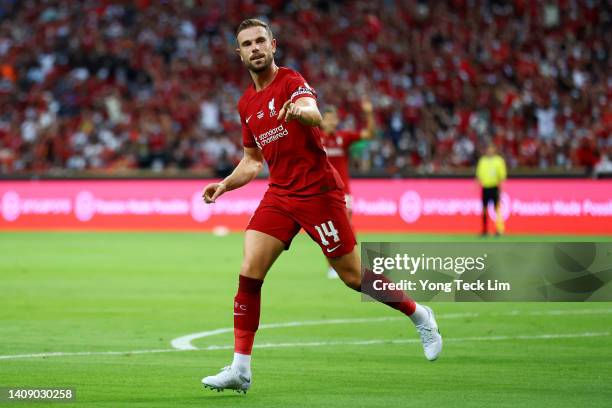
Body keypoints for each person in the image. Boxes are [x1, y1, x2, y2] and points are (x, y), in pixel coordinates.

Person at [200, 19, 442, 394]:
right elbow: (252, 161)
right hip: (279, 195)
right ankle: (240, 369)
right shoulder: (245, 103)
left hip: (319, 192)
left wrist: (301, 113)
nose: (255, 48)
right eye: (247, 44)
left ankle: (420, 314)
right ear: (240, 53)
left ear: (273, 45)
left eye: (260, 41)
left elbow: (312, 110)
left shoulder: (292, 82)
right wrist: (225, 185)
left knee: (350, 276)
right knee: (249, 270)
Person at [320, 101, 375, 278]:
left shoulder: (343, 137)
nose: (331, 122)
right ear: (321, 120)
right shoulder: (315, 138)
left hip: (342, 190)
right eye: (328, 119)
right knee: (327, 230)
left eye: (334, 118)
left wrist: (369, 114)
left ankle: (355, 264)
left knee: (347, 225)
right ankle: (332, 267)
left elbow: (369, 134)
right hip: (321, 191)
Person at [476, 143, 507, 236]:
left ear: (494, 150)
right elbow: (479, 175)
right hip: (485, 188)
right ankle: (484, 230)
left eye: (491, 149)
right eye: (488, 149)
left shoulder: (499, 161)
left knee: (497, 209)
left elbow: (502, 176)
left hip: (494, 187)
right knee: (484, 209)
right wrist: (477, 185)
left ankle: (499, 230)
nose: (490, 150)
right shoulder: (482, 161)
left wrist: (501, 188)